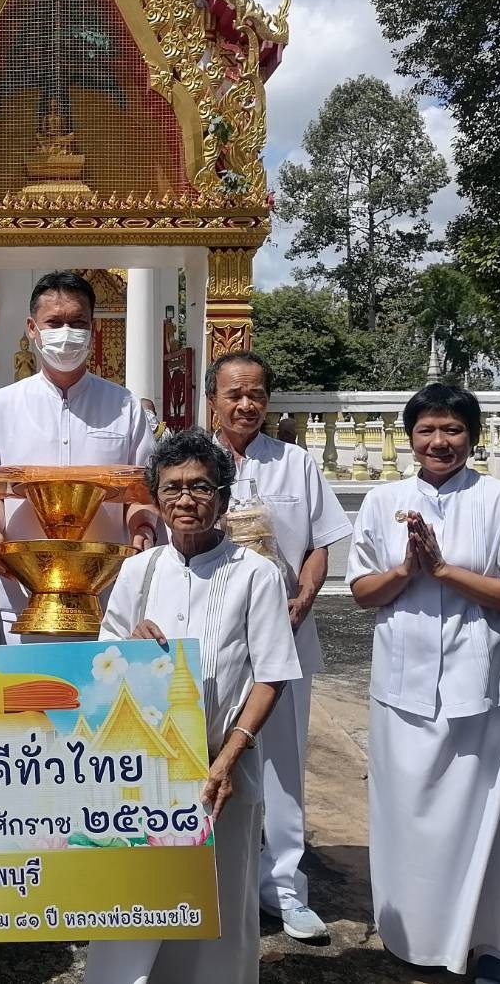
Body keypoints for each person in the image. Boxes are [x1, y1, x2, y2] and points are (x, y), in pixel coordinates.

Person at [346, 384, 500, 984]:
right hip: (402, 686)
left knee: (485, 815)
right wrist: (407, 569)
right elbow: (361, 592)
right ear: (410, 437)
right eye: (428, 430)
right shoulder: (383, 501)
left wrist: (444, 571)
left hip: (484, 683)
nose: (440, 442)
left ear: (473, 437)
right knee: (403, 816)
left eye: (453, 430)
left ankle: (488, 945)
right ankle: (410, 932)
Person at [85, 429, 300, 984]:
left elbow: (271, 675)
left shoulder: (257, 574)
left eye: (201, 487)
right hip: (147, 770)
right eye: (173, 487)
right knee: (139, 898)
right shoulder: (139, 571)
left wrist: (229, 758)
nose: (186, 499)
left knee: (220, 903)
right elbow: (103, 664)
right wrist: (128, 645)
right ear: (156, 501)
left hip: (220, 766)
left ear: (223, 499)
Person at [207, 351, 351, 941]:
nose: (246, 405)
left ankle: (285, 888)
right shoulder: (193, 459)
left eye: (256, 393)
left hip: (285, 634)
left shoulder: (296, 464)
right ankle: (206, 878)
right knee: (209, 754)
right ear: (212, 398)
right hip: (212, 636)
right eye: (234, 393)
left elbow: (320, 542)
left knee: (285, 765)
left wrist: (305, 596)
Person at [0, 270, 159, 643]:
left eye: (77, 322)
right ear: (32, 329)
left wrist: (142, 530)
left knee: (103, 694)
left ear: (93, 328)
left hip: (108, 593)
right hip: (21, 594)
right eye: (54, 323)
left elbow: (142, 491)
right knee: (28, 697)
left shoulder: (125, 406)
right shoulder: (2, 406)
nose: (66, 333)